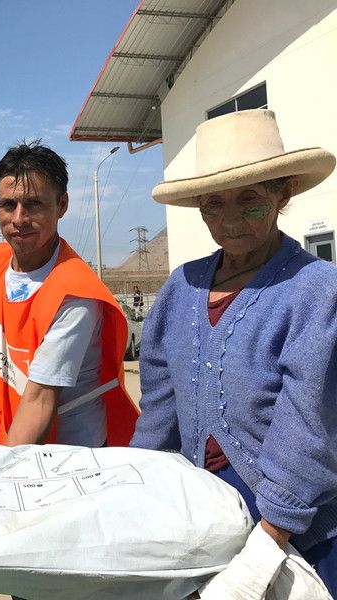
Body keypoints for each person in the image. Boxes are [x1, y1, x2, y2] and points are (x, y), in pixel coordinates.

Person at [130, 109, 337, 594]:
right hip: (200, 511)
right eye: (212, 204)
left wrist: (271, 535)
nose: (228, 220)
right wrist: (141, 480)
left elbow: (312, 421)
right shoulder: (182, 287)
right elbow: (159, 409)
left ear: (283, 194)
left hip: (292, 524)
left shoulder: (317, 290)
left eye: (250, 202)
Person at [0, 141, 138, 448]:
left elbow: (39, 401)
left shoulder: (74, 295)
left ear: (62, 204)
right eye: (8, 205)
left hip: (65, 455)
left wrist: (1, 478)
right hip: (2, 436)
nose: (18, 219)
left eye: (34, 204)